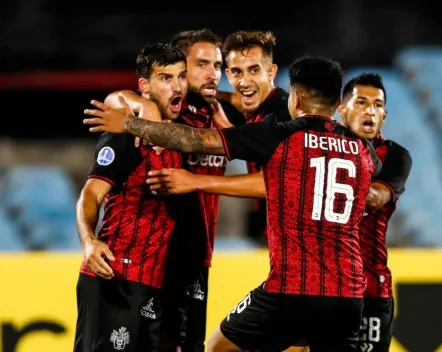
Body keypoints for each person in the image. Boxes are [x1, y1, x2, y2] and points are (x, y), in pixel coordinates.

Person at [83, 55, 382, 351]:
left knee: (217, 347)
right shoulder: (364, 151)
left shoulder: (280, 135)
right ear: (337, 102)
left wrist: (132, 124)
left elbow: (194, 140)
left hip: (291, 288)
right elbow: (366, 180)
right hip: (349, 294)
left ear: (298, 98)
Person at [104, 29, 244, 352]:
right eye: (201, 65)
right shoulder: (169, 112)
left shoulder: (217, 118)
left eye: (218, 66)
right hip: (159, 258)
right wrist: (140, 104)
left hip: (199, 258)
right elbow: (114, 98)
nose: (213, 74)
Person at [74, 42, 187, 352]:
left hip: (154, 285)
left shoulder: (182, 134)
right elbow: (91, 193)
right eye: (166, 78)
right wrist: (88, 241)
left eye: (182, 76)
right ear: (145, 86)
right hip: (116, 276)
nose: (177, 86)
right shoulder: (125, 136)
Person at [147, 30, 291, 246]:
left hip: (299, 242)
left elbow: (275, 183)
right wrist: (142, 106)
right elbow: (120, 100)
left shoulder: (279, 116)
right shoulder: (164, 110)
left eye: (253, 70)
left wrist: (194, 181)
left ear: (271, 72)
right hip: (161, 250)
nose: (244, 81)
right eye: (236, 72)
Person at [337, 73, 412, 352]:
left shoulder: (395, 156)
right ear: (341, 109)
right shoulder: (321, 147)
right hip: (321, 286)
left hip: (370, 289)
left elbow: (374, 199)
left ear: (384, 115)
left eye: (378, 105)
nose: (370, 110)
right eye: (361, 102)